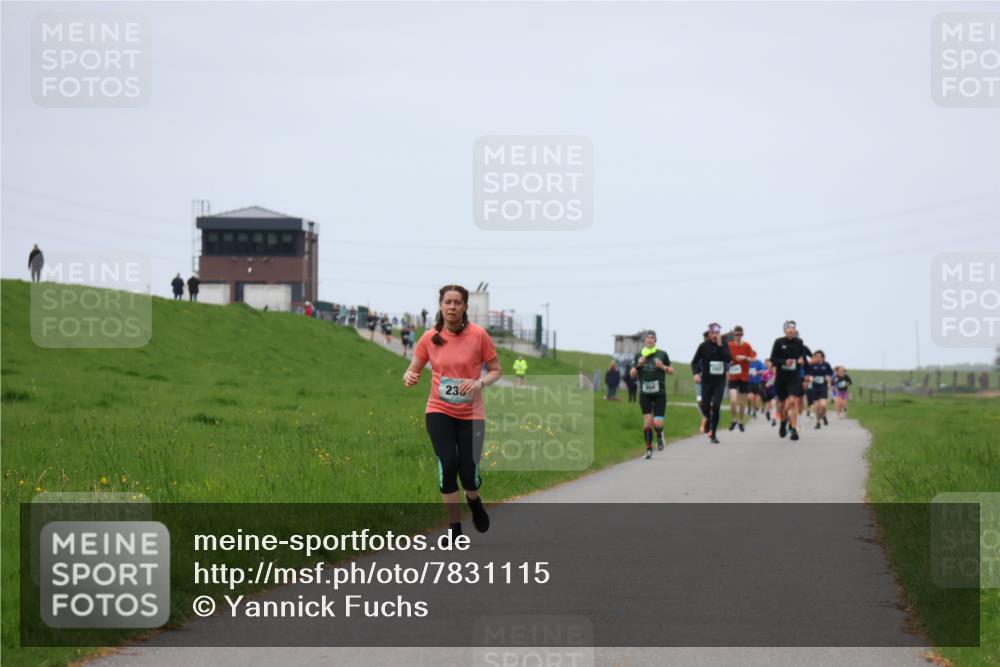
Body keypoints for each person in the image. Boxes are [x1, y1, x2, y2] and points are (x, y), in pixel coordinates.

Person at [403, 284, 501, 540]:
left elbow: (496, 369)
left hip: (472, 414)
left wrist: (480, 383)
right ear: (441, 305)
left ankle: (474, 500)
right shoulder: (428, 337)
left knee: (468, 475)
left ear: (465, 307)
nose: (452, 307)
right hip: (439, 410)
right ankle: (454, 528)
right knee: (448, 465)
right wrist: (409, 376)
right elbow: (413, 368)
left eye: (458, 302)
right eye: (448, 302)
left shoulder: (479, 335)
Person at [630, 330, 674, 458]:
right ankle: (648, 449)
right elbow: (632, 374)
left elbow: (671, 371)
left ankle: (659, 435)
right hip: (645, 393)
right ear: (644, 341)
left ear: (655, 340)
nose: (649, 340)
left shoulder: (662, 354)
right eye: (647, 338)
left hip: (659, 393)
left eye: (652, 338)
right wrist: (639, 364)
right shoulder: (639, 355)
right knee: (648, 422)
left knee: (658, 423)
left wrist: (662, 367)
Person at [769, 320, 812, 442]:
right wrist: (784, 362)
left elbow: (803, 358)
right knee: (783, 405)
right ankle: (783, 422)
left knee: (793, 402)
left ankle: (793, 429)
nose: (791, 331)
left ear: (795, 331)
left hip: (794, 377)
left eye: (793, 330)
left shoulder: (799, 342)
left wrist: (807, 371)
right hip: (782, 378)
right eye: (789, 330)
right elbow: (773, 359)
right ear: (785, 331)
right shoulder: (778, 342)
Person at [692, 323, 731, 444]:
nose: (715, 336)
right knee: (704, 407)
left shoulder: (724, 345)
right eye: (713, 333)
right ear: (709, 334)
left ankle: (713, 434)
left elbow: (728, 359)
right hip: (706, 381)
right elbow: (694, 362)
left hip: (719, 381)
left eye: (717, 333)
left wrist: (720, 345)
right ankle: (709, 420)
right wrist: (696, 373)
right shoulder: (703, 346)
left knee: (716, 406)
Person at [726, 325, 757, 433]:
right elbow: (725, 357)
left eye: (740, 334)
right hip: (733, 376)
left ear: (742, 335)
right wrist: (728, 362)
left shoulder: (747, 345)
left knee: (742, 403)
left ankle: (741, 421)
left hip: (744, 377)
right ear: (733, 335)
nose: (738, 336)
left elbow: (754, 359)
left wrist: (744, 358)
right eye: (736, 334)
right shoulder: (729, 345)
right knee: (733, 400)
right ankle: (734, 420)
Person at [805, 350, 834, 429]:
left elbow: (830, 374)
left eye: (819, 356)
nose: (817, 358)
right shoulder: (812, 365)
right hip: (815, 388)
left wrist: (828, 379)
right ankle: (818, 422)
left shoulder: (826, 364)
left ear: (822, 357)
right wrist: (810, 378)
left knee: (823, 405)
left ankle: (824, 415)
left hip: (823, 388)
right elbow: (809, 375)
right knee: (817, 407)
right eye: (816, 356)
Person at [695, 331, 709, 433]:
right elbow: (694, 364)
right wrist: (695, 374)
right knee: (700, 402)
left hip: (712, 382)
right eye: (705, 338)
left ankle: (707, 424)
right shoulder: (701, 350)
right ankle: (706, 418)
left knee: (711, 404)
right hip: (700, 381)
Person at [761, 359, 778, 426]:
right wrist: (764, 388)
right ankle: (767, 412)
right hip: (767, 392)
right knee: (768, 405)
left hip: (775, 392)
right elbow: (762, 383)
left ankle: (773, 419)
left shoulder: (777, 374)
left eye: (772, 366)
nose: (771, 367)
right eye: (768, 365)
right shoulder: (765, 373)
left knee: (773, 404)